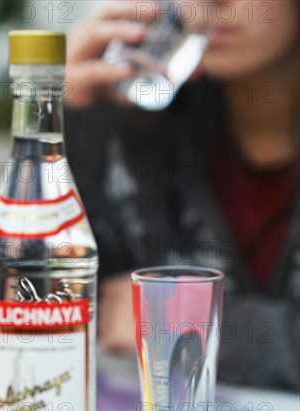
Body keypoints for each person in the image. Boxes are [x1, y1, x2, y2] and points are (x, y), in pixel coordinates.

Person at [64, 0, 299, 390]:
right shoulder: (140, 128)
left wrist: (192, 323)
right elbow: (44, 305)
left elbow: (133, 317)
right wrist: (65, 119)